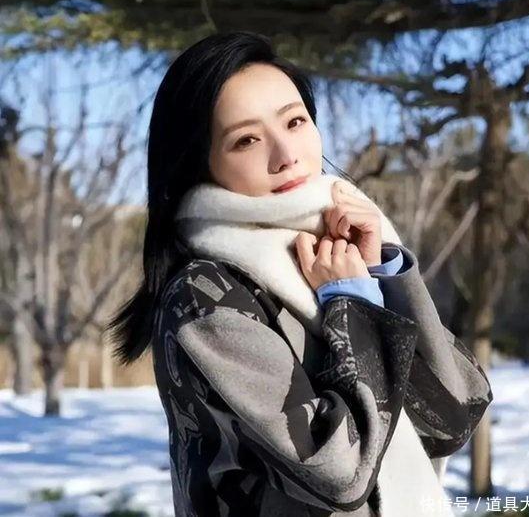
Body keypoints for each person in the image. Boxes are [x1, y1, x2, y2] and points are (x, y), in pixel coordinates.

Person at [108, 31, 493, 517]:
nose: (286, 154)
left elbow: (453, 415)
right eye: (246, 140)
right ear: (198, 163)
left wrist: (384, 274)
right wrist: (354, 308)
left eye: (294, 121)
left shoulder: (339, 246)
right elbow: (340, 474)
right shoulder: (204, 298)